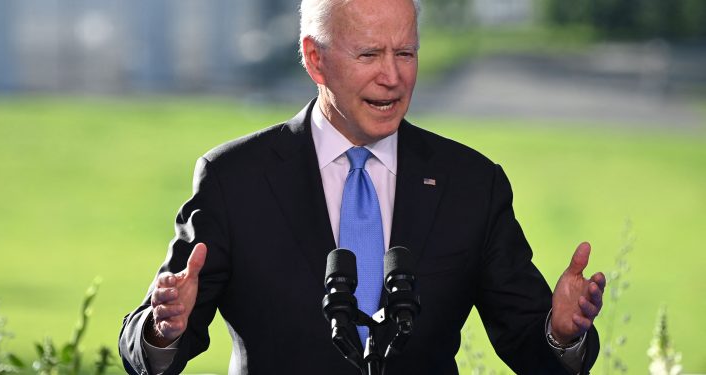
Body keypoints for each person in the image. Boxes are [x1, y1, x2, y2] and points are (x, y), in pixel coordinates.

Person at [118, 0, 606, 374]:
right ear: (315, 60)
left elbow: (532, 342)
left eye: (406, 53)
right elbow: (149, 345)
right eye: (370, 53)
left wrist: (562, 335)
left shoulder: (471, 184)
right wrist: (163, 330)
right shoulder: (234, 179)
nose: (392, 77)